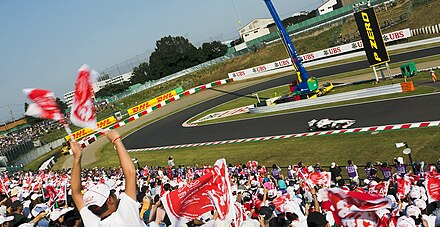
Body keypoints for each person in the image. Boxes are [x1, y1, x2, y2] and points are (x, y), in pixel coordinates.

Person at [70, 130, 146, 227]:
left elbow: (76, 194)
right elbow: (130, 173)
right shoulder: (125, 217)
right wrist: (116, 140)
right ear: (110, 200)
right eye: (112, 193)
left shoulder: (92, 223)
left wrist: (77, 158)